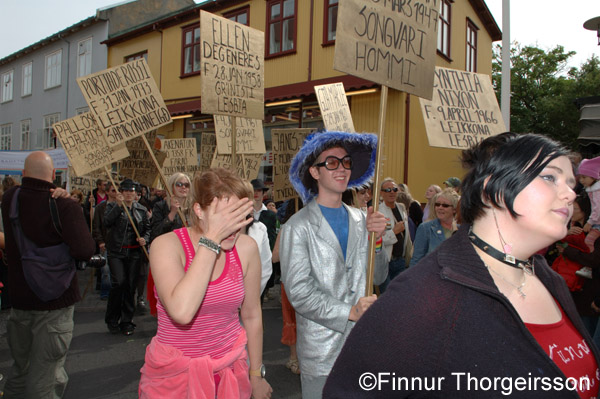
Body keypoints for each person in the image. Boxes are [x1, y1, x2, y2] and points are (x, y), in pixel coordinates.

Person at [324, 133, 600, 398]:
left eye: (571, 182)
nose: (571, 194)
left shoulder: (549, 280)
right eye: (550, 177)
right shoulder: (427, 296)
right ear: (495, 188)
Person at [139, 168, 272, 398]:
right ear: (198, 210)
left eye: (240, 215)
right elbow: (181, 311)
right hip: (175, 377)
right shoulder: (167, 246)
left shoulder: (247, 248)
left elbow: (251, 314)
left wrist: (256, 374)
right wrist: (211, 240)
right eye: (224, 216)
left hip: (230, 371)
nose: (234, 226)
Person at [280, 130, 388, 398]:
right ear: (315, 172)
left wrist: (378, 240)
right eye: (331, 162)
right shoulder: (298, 227)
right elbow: (299, 293)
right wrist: (349, 312)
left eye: (346, 162)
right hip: (322, 354)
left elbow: (381, 274)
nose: (342, 169)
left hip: (362, 347)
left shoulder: (364, 220)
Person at [1, 151, 95, 398]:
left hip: (20, 300)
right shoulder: (64, 206)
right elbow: (84, 250)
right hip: (55, 302)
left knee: (20, 370)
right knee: (46, 377)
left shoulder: (9, 198)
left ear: (22, 174)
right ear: (54, 175)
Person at [104, 178, 150, 336]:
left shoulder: (141, 210)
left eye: (131, 191)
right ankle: (112, 319)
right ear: (121, 193)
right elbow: (107, 222)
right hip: (117, 252)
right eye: (126, 191)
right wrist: (118, 206)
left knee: (131, 286)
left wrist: (145, 239)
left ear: (136, 193)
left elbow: (147, 229)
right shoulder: (112, 206)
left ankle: (126, 321)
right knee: (119, 283)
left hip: (135, 253)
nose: (129, 194)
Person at [409, 188, 460, 267]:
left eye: (445, 205)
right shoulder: (425, 228)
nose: (440, 207)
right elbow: (416, 260)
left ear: (454, 209)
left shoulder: (462, 230)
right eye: (437, 204)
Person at [379, 178, 413, 293]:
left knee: (400, 294)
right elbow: (376, 239)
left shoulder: (401, 208)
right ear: (381, 193)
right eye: (388, 190)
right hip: (385, 261)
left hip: (400, 260)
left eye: (394, 189)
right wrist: (394, 232)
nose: (392, 192)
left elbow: (407, 235)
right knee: (386, 295)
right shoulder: (378, 211)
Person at [573, 157, 600, 279]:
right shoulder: (592, 190)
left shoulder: (597, 191)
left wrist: (590, 222)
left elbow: (597, 209)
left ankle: (588, 267)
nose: (581, 180)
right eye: (581, 177)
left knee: (588, 241)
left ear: (593, 177)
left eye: (584, 177)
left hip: (596, 222)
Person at [92, 182, 119, 300]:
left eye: (118, 190)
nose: (116, 193)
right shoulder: (100, 207)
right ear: (107, 192)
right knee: (106, 270)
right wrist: (100, 241)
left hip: (119, 243)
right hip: (106, 243)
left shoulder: (123, 206)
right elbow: (96, 226)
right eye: (113, 190)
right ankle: (105, 293)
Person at [150, 173, 192, 243]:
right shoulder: (160, 206)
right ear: (171, 186)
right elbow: (156, 233)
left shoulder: (193, 208)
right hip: (170, 247)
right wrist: (172, 213)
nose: (183, 187)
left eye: (186, 185)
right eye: (179, 184)